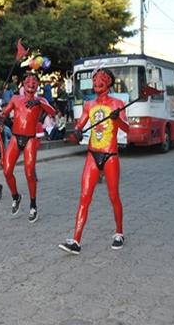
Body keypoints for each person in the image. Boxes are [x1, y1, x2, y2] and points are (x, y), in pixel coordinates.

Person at [58, 69, 130, 255]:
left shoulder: (118, 104)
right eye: (95, 79)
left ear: (108, 83)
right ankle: (76, 240)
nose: (97, 82)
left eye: (101, 80)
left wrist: (118, 120)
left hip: (110, 156)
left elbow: (127, 128)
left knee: (113, 196)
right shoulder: (89, 105)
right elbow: (79, 126)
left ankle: (119, 233)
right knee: (84, 196)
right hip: (92, 155)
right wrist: (76, 132)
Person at [0, 72, 56, 223]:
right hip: (15, 137)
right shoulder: (16, 99)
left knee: (30, 173)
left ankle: (33, 205)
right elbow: (4, 114)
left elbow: (53, 111)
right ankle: (16, 196)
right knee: (6, 170)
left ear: (37, 85)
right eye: (28, 81)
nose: (31, 83)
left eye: (34, 81)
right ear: (23, 84)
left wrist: (39, 103)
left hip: (30, 139)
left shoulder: (41, 100)